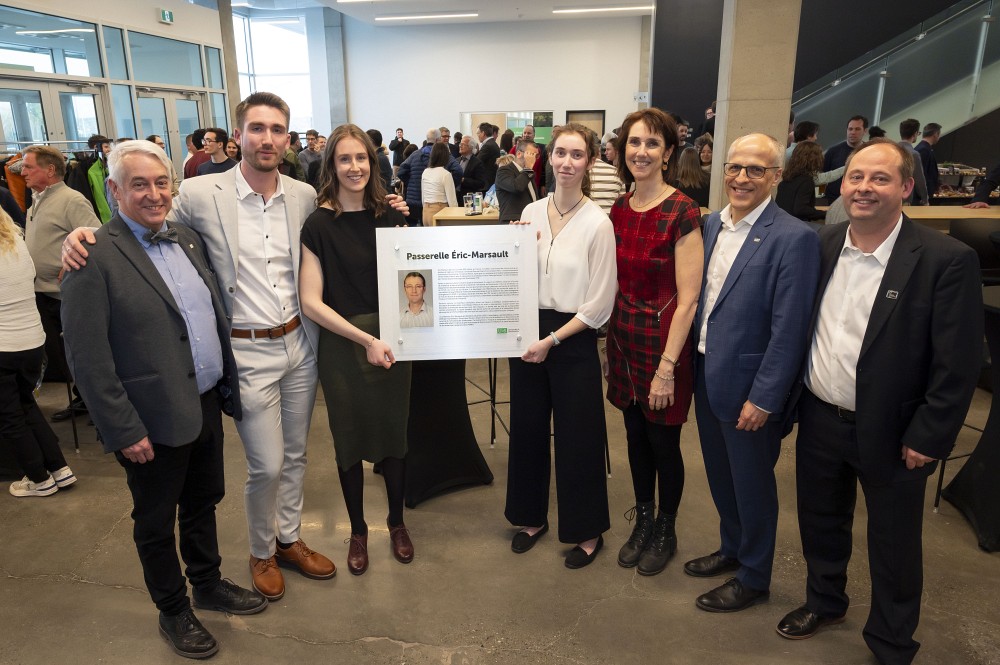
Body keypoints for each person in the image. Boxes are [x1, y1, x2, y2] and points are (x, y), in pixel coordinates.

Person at [63, 92, 339, 603]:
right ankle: (260, 551)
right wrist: (82, 235)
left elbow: (341, 223)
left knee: (298, 454)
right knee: (268, 464)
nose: (267, 138)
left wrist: (392, 208)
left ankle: (288, 538)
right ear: (238, 136)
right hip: (244, 350)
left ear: (287, 137)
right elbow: (140, 218)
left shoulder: (302, 195)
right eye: (256, 128)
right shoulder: (198, 192)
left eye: (277, 129)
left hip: (299, 342)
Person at [776, 139, 983, 665]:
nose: (864, 188)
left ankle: (891, 639)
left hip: (896, 431)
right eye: (855, 177)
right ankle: (825, 602)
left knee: (893, 541)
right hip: (821, 414)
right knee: (821, 521)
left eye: (880, 179)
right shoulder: (822, 245)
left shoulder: (945, 260)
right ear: (841, 185)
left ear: (907, 188)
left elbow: (956, 363)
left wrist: (930, 433)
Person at [61, 141, 266, 659]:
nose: (153, 195)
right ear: (113, 190)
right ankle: (174, 610)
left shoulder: (188, 239)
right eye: (138, 184)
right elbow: (87, 357)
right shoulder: (92, 256)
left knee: (203, 502)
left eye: (160, 183)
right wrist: (122, 428)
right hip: (148, 419)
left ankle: (208, 582)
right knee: (155, 521)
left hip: (202, 403)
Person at [687, 133, 820, 613]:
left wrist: (765, 397)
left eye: (755, 170)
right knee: (722, 477)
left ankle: (755, 575)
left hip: (750, 387)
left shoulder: (794, 239)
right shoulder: (707, 226)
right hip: (705, 372)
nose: (741, 178)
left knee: (753, 483)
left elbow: (790, 330)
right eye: (734, 167)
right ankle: (732, 547)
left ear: (777, 176)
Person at [298, 123, 413, 576]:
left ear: (373, 161)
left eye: (361, 158)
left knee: (395, 436)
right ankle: (359, 530)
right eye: (344, 159)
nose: (354, 167)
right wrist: (364, 339)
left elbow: (418, 276)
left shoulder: (391, 215)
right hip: (345, 344)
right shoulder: (318, 225)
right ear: (331, 165)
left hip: (394, 342)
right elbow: (310, 300)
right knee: (347, 438)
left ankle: (398, 523)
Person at [504, 123, 617, 569]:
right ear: (548, 158)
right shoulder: (530, 213)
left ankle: (587, 530)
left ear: (589, 162)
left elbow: (600, 304)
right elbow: (514, 278)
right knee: (528, 428)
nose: (567, 163)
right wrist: (510, 248)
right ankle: (530, 518)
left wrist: (552, 340)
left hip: (572, 337)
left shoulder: (598, 223)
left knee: (578, 435)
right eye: (560, 154)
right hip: (528, 333)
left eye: (577, 155)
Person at [603, 108, 703, 576]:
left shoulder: (682, 210)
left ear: (667, 153)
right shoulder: (619, 208)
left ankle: (666, 526)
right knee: (634, 437)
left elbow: (688, 300)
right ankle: (642, 518)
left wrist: (668, 368)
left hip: (664, 345)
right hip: (623, 340)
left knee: (665, 444)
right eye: (634, 143)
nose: (641, 151)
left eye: (651, 143)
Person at [1, 209, 75, 498]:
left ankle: (38, 479)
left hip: (4, 346)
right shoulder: (16, 242)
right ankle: (59, 468)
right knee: (26, 405)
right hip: (32, 341)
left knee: (10, 417)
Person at [22, 145, 100, 422]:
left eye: (29, 166)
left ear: (50, 170)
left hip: (65, 292)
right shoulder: (37, 199)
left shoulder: (71, 199)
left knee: (81, 350)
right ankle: (84, 398)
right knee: (63, 354)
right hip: (42, 291)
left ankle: (97, 403)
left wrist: (70, 263)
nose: (23, 171)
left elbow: (94, 237)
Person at [776, 142, 826, 223]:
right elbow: (800, 210)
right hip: (795, 226)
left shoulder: (787, 179)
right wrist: (824, 214)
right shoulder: (806, 182)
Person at [822, 116, 868, 201]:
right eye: (850, 129)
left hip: (861, 199)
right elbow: (823, 175)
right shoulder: (833, 151)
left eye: (857, 129)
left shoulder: (870, 151)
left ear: (865, 131)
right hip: (834, 199)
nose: (853, 132)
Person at [495, 138, 539, 223]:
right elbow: (517, 187)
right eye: (531, 154)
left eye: (536, 156)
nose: (534, 159)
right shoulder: (504, 171)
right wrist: (528, 168)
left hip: (530, 221)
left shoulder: (529, 173)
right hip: (512, 223)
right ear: (519, 154)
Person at [420, 142, 458, 225]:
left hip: (426, 211)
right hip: (439, 211)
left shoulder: (425, 172)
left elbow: (423, 197)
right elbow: (452, 202)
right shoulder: (445, 174)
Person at [588, 134, 624, 215]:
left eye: (608, 149)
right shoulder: (616, 172)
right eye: (605, 150)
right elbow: (622, 205)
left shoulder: (580, 173)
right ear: (598, 151)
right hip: (610, 221)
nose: (606, 152)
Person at [897, 119, 929, 205]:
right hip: (904, 199)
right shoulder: (913, 154)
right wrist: (925, 199)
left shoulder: (890, 150)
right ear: (915, 134)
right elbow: (919, 179)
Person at [914, 122, 941, 199]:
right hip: (922, 196)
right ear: (935, 134)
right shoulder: (924, 149)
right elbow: (921, 175)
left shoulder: (923, 148)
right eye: (939, 134)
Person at [366, 129, 392, 194]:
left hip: (382, 197)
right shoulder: (377, 157)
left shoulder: (379, 159)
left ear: (370, 141)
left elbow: (381, 184)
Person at [476, 122, 501, 187]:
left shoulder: (488, 145)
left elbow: (477, 162)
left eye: (478, 133)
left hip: (487, 182)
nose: (477, 135)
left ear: (483, 133)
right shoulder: (492, 143)